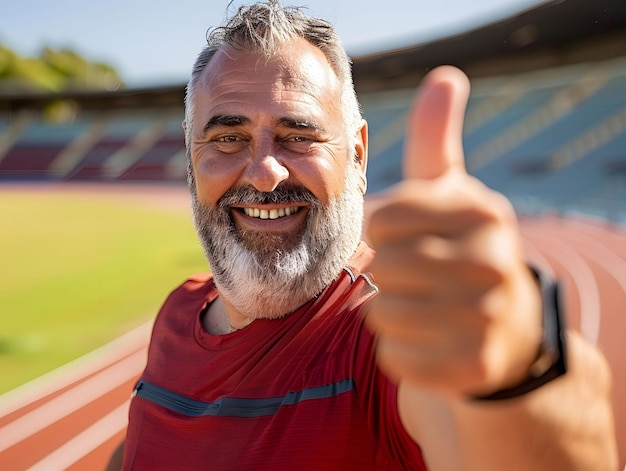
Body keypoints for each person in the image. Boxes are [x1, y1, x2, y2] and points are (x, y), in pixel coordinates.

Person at [110, 1, 618, 469]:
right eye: (227, 137)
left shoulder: (394, 332)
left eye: (299, 135)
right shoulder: (178, 311)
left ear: (358, 154)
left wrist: (517, 363)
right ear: (191, 155)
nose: (264, 172)